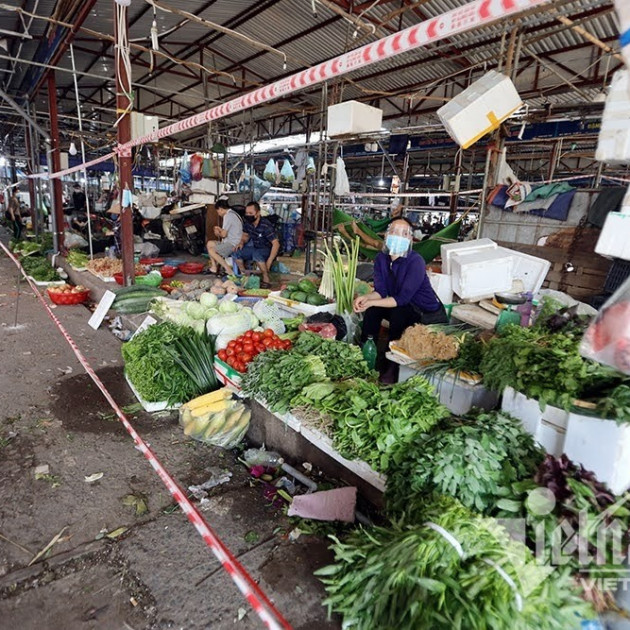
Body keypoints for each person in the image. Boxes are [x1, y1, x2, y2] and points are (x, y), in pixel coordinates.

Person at [354, 218, 448, 382]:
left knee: (399, 313)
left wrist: (372, 301)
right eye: (394, 232)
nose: (398, 236)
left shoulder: (415, 261)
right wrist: (366, 298)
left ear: (410, 240)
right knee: (372, 310)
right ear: (386, 236)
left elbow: (402, 299)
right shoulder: (381, 259)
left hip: (425, 313)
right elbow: (381, 292)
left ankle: (392, 365)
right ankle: (366, 353)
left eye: (404, 233)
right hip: (400, 305)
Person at [234, 201, 280, 288]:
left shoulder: (265, 225)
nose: (248, 215)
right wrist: (241, 242)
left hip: (266, 250)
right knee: (236, 252)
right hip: (254, 248)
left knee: (257, 254)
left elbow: (276, 244)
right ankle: (244, 275)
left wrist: (270, 260)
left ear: (258, 213)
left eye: (251, 213)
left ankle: (266, 278)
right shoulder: (248, 223)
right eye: (247, 213)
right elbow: (245, 235)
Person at [207, 199, 243, 275]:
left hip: (233, 244)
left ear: (220, 209)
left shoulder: (228, 216)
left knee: (211, 250)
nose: (218, 213)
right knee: (209, 244)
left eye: (218, 211)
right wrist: (219, 229)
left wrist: (218, 232)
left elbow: (223, 235)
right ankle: (214, 267)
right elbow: (226, 231)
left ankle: (228, 269)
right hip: (231, 241)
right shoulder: (233, 214)